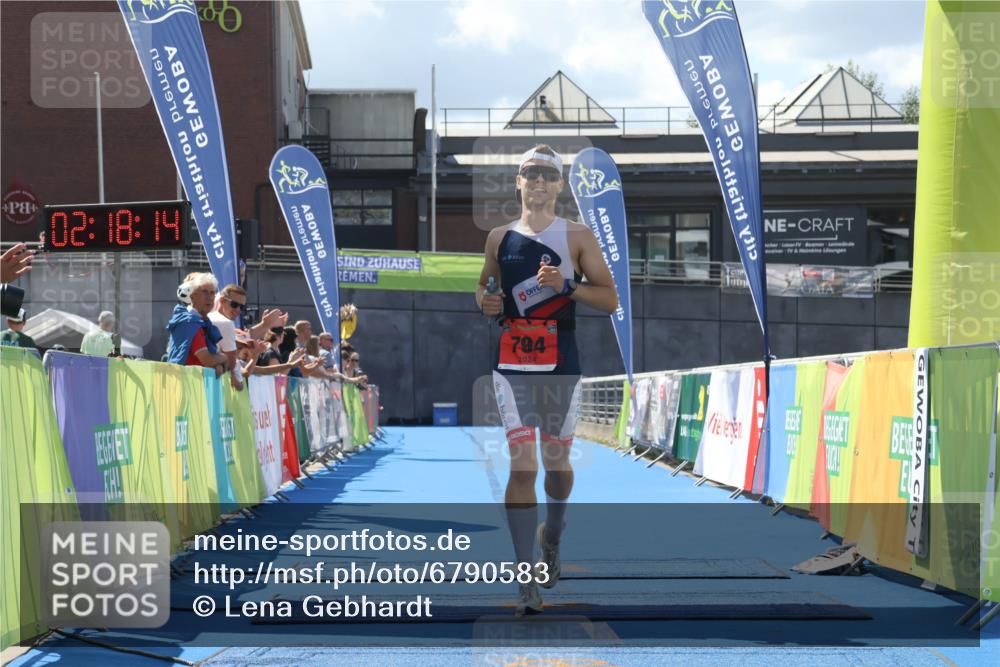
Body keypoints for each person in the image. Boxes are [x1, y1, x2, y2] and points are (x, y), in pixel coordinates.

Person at [476, 145, 618, 615]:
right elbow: (486, 285)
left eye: (547, 175)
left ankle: (551, 537)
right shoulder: (499, 237)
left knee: (557, 469)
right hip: (512, 364)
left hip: (561, 363)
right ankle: (524, 580)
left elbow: (610, 298)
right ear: (518, 181)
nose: (538, 181)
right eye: (530, 173)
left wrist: (567, 286)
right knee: (522, 469)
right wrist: (487, 302)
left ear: (559, 185)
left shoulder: (577, 234)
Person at [166, 272, 228, 376]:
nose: (209, 297)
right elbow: (208, 360)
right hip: (184, 385)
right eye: (205, 292)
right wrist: (224, 358)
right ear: (192, 296)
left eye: (212, 293)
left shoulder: (201, 322)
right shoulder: (190, 322)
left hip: (195, 386)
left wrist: (218, 364)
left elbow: (211, 360)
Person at [209, 284, 248, 390]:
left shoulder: (209, 317)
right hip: (214, 384)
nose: (239, 310)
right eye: (234, 304)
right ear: (222, 301)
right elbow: (231, 362)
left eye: (242, 307)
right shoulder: (225, 323)